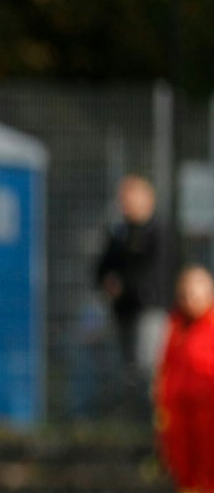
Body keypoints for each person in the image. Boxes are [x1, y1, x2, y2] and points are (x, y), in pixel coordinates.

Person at [96, 175, 169, 409]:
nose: (124, 203)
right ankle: (133, 419)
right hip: (123, 310)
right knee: (127, 372)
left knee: (147, 367)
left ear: (147, 200)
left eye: (130, 197)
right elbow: (103, 266)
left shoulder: (158, 233)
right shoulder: (120, 233)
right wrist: (107, 282)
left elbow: (155, 274)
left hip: (150, 310)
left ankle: (153, 419)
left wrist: (124, 286)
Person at [155, 266, 214, 493]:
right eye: (185, 294)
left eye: (195, 294)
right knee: (182, 461)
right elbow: (166, 366)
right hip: (180, 412)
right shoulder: (175, 325)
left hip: (208, 410)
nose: (190, 300)